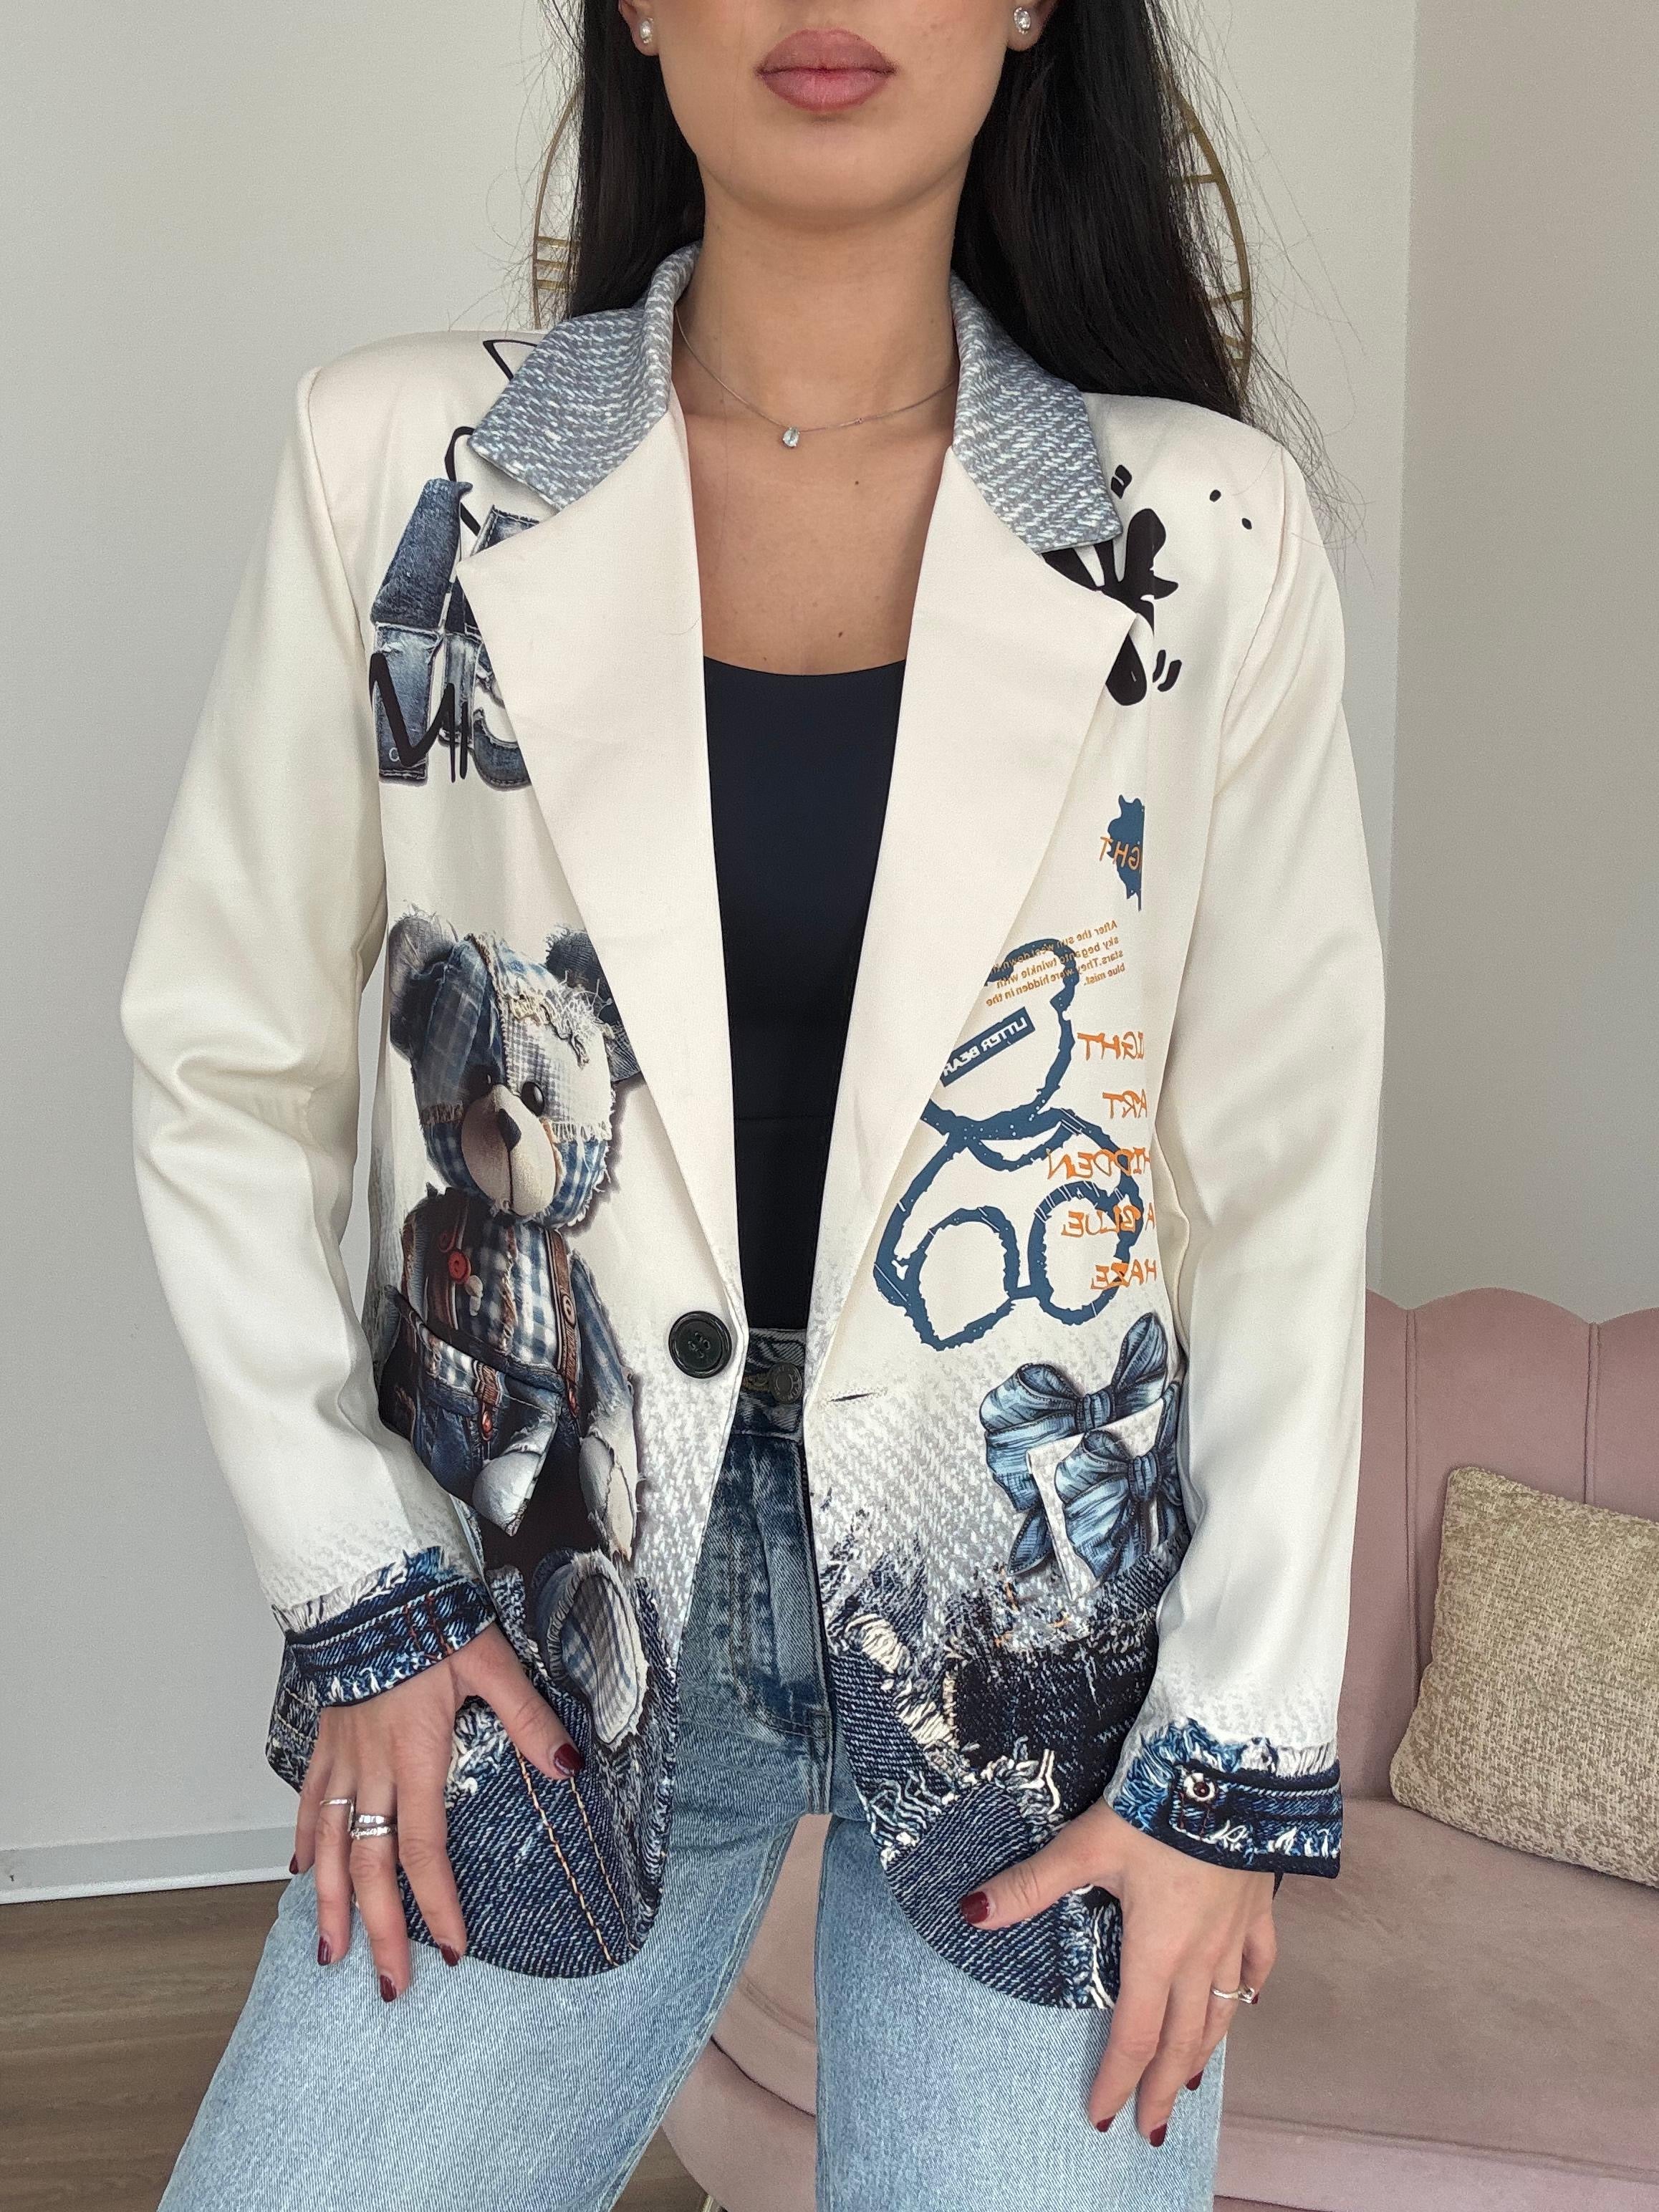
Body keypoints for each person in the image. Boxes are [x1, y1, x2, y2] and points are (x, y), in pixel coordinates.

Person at [119, 0, 1386, 2204]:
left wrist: (1225, 1765)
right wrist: (362, 1591)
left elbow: (1273, 1178)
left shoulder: (1200, 528)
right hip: (550, 1602)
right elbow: (226, 1052)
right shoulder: (405, 459)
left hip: (1040, 1642)